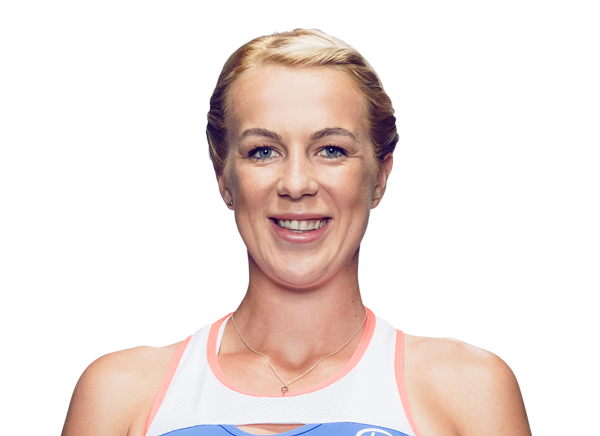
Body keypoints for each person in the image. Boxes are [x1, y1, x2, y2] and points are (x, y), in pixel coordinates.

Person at [62, 29, 531, 436]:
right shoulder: (120, 394)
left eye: (331, 150)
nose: (296, 184)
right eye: (263, 151)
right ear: (224, 178)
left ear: (380, 176)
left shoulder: (468, 391)